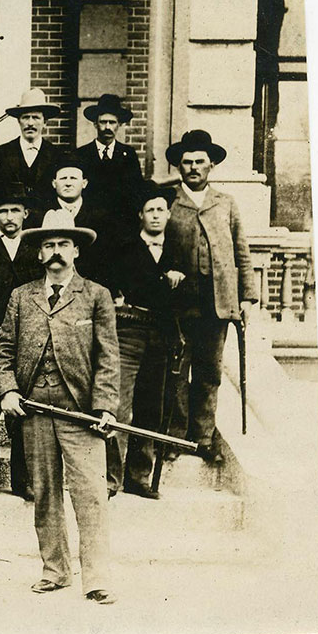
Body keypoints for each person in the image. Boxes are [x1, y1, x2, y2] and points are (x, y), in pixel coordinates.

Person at [0, 208, 120, 605]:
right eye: (48, 245)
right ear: (38, 253)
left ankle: (96, 577)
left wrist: (105, 408)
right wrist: (8, 391)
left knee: (91, 494)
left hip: (80, 413)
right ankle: (55, 570)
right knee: (44, 493)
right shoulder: (21, 296)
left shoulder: (97, 295)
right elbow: (4, 352)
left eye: (63, 244)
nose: (55, 252)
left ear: (76, 251)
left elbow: (108, 358)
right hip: (33, 410)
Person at [163, 130, 258, 461]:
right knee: (176, 370)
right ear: (179, 166)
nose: (192, 167)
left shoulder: (225, 203)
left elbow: (241, 253)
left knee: (209, 371)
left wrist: (246, 298)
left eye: (199, 162)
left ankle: (203, 437)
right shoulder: (168, 201)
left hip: (217, 302)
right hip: (178, 303)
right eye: (186, 162)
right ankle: (175, 438)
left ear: (211, 164)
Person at [104, 187, 183, 499]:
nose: (155, 215)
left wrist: (177, 282)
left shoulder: (177, 251)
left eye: (160, 210)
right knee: (120, 405)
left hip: (161, 334)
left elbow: (190, 295)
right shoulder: (124, 248)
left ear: (168, 215)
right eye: (149, 210)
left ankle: (139, 475)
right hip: (129, 331)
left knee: (152, 406)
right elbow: (110, 286)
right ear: (140, 215)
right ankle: (111, 477)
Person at [0, 191, 42, 500]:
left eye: (15, 210)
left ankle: (23, 479)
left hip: (25, 338)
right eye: (2, 210)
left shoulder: (35, 251)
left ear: (25, 214)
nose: (9, 217)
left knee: (21, 409)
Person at [0, 87, 62, 221]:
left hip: (45, 228)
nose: (30, 123)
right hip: (10, 228)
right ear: (19, 121)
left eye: (35, 117)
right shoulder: (1, 153)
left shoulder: (56, 155)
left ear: (45, 122)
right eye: (25, 117)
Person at [75, 94, 145, 230]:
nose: (108, 127)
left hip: (121, 228)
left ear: (119, 124)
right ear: (95, 124)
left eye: (112, 122)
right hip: (90, 226)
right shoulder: (81, 154)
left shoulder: (128, 155)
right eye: (103, 122)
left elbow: (137, 191)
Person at [47, 158, 121, 286]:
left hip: (93, 284)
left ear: (84, 183)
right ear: (54, 183)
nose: (68, 183)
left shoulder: (102, 217)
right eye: (63, 178)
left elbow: (109, 257)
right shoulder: (44, 214)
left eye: (73, 178)